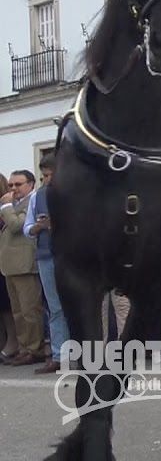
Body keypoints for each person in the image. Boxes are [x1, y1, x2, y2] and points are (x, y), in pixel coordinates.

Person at [22, 156, 66, 374]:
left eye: (51, 175)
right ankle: (59, 356)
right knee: (55, 308)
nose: (47, 180)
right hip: (46, 256)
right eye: (44, 176)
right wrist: (38, 228)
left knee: (77, 305)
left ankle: (85, 355)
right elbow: (26, 228)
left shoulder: (73, 193)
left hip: (70, 256)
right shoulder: (37, 197)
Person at [0, 170, 44, 365]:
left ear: (31, 184)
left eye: (18, 184)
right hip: (10, 265)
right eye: (10, 185)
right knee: (18, 312)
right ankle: (24, 347)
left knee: (29, 310)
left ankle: (35, 349)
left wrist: (7, 206)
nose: (13, 189)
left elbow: (18, 225)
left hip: (26, 264)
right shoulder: (14, 205)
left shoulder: (30, 202)